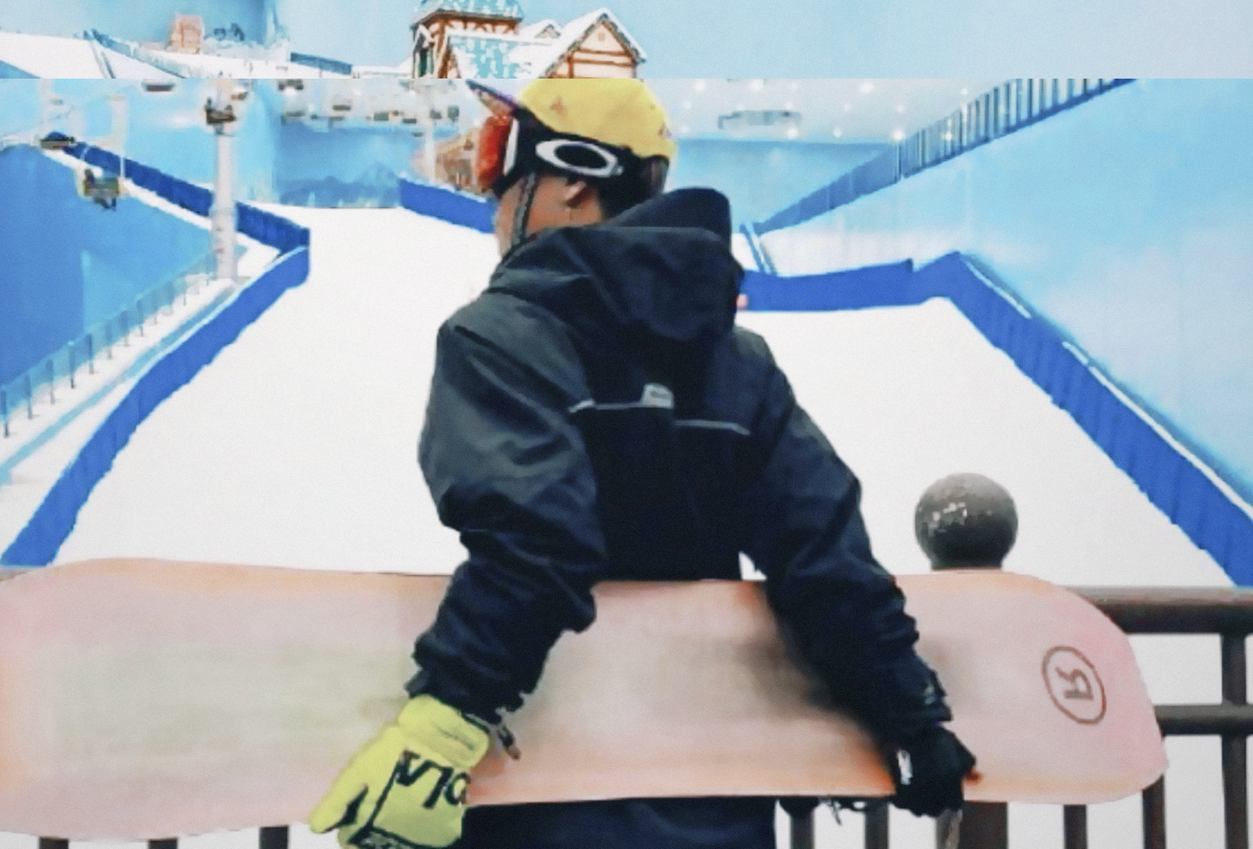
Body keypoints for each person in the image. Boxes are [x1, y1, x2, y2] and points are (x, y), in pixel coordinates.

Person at [309, 72, 973, 849]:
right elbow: (821, 554)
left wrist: (444, 718)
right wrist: (910, 716)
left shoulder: (498, 339)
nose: (493, 199)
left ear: (568, 182)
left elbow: (535, 540)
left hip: (545, 798)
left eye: (502, 169)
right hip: (711, 797)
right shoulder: (737, 363)